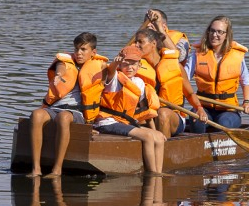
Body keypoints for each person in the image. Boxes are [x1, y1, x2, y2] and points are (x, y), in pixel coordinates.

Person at [28, 32, 108, 177]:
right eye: (76, 49)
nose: (79, 53)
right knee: (36, 115)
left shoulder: (100, 66)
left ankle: (57, 169)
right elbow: (61, 67)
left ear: (93, 52)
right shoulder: (65, 61)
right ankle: (36, 168)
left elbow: (110, 76)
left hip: (77, 112)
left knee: (64, 118)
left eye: (83, 50)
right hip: (55, 107)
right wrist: (59, 75)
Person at [93, 45, 167, 175]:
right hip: (107, 122)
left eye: (134, 64)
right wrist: (115, 63)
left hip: (124, 122)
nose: (130, 67)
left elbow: (146, 113)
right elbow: (110, 72)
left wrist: (154, 130)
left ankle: (159, 171)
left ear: (139, 66)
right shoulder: (115, 78)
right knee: (148, 137)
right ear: (120, 65)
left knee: (159, 137)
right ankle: (153, 174)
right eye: (126, 64)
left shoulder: (138, 82)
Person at [132, 28, 208, 138]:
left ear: (153, 44)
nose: (136, 45)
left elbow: (190, 94)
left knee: (163, 113)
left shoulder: (175, 66)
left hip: (174, 115)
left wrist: (199, 109)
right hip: (147, 115)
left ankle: (163, 150)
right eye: (135, 42)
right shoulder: (134, 68)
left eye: (140, 42)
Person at [185, 15, 249, 133]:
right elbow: (183, 78)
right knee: (197, 123)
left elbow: (245, 81)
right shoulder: (197, 55)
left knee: (223, 124)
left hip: (229, 110)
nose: (214, 35)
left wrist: (247, 102)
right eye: (212, 31)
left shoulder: (237, 56)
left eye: (219, 32)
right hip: (203, 107)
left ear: (226, 35)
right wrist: (197, 107)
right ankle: (198, 146)